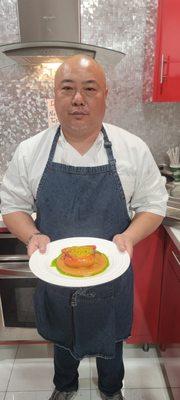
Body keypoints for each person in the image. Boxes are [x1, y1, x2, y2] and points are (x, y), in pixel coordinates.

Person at [1, 55, 168, 400]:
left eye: (89, 89)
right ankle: (65, 387)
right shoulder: (31, 151)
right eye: (68, 89)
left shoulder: (131, 149)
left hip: (112, 277)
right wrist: (32, 235)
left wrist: (129, 236)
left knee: (112, 344)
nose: (78, 99)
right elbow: (13, 206)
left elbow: (154, 204)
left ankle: (111, 390)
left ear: (105, 94)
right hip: (56, 278)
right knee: (63, 342)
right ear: (56, 95)